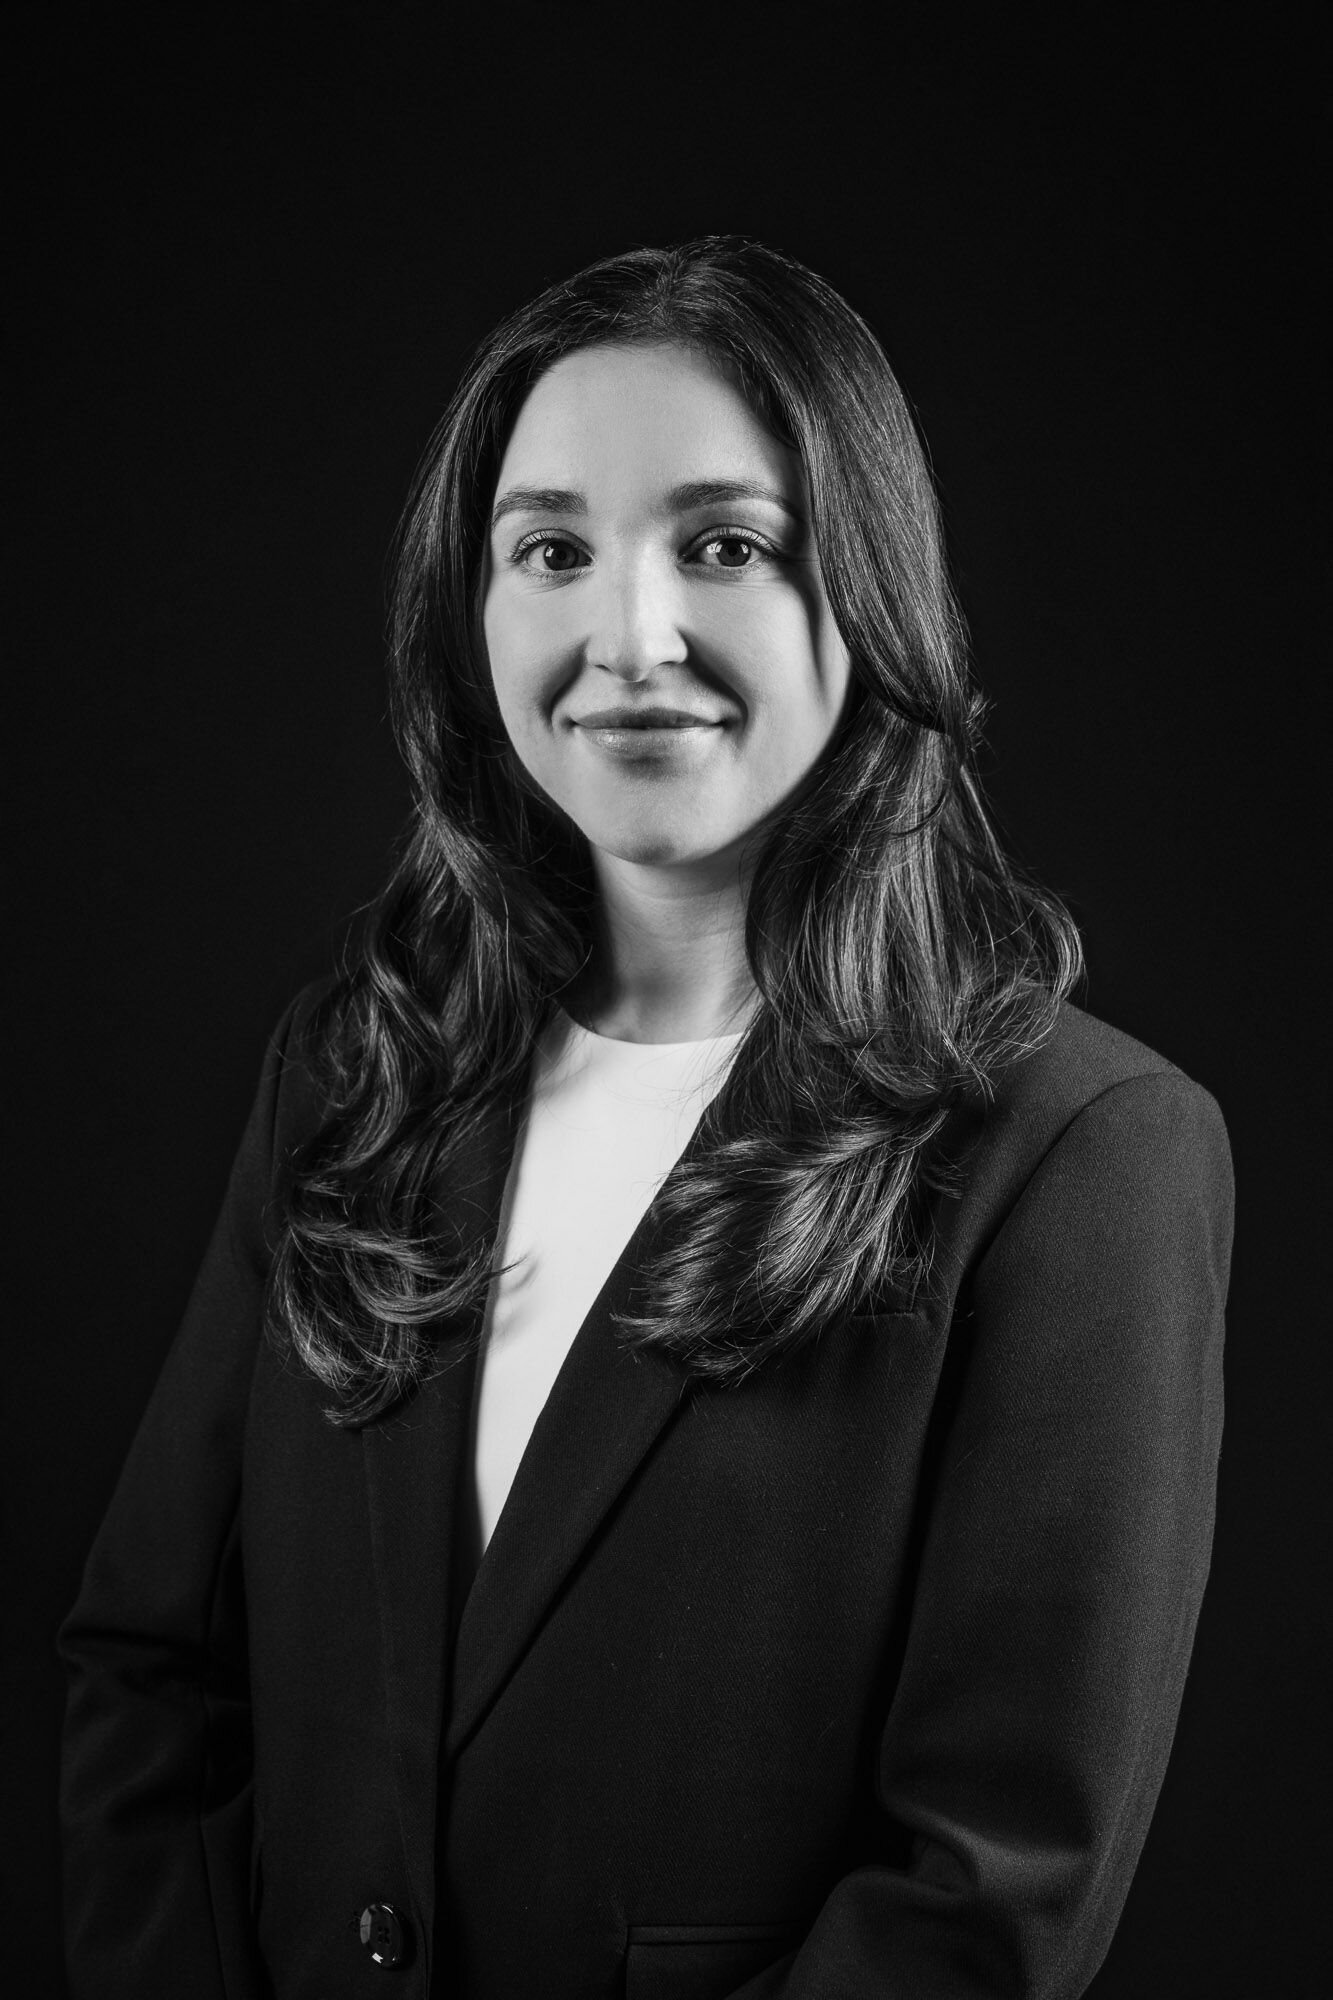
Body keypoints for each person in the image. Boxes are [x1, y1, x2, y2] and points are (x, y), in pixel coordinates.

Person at [58, 235, 1233, 2000]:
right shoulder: (350, 1074)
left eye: (725, 545)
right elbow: (152, 1671)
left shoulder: (1083, 1151)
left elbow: (989, 1890)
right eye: (550, 551)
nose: (628, 638)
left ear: (871, 591)